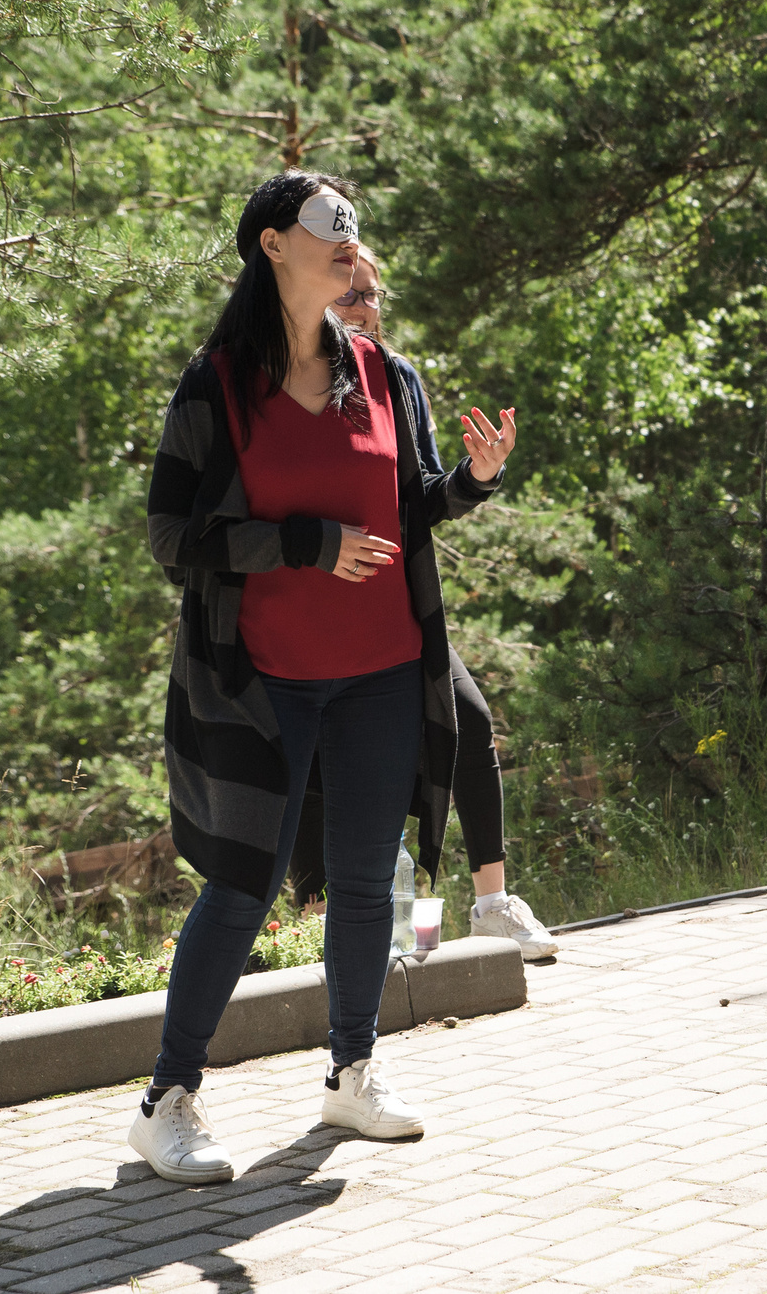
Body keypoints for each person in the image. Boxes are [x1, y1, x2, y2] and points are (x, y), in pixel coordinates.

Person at [131, 171, 518, 1185]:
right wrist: (304, 541)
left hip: (384, 668)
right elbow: (173, 534)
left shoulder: (386, 374)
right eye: (328, 232)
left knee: (361, 879)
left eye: (354, 234)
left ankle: (353, 1072)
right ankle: (168, 1098)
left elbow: (411, 503)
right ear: (271, 244)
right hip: (263, 682)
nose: (350, 247)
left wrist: (471, 482)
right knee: (242, 884)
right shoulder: (217, 381)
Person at [292, 249, 558, 961]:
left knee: (468, 722)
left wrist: (479, 474)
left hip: (399, 608)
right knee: (319, 766)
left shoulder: (399, 378)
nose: (365, 310)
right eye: (348, 298)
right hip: (309, 616)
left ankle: (493, 905)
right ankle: (322, 927)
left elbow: (426, 498)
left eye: (373, 297)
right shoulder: (288, 381)